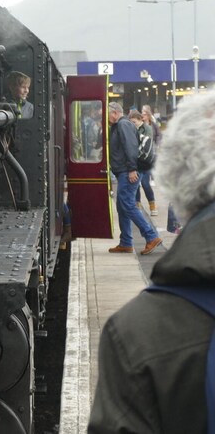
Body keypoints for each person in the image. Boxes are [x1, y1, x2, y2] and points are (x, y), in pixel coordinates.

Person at [89, 91, 215, 432]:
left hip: (125, 173)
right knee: (125, 207)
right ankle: (130, 239)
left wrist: (130, 168)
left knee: (128, 206)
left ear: (177, 180)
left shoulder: (134, 335)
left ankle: (147, 235)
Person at [105, 102, 161, 255]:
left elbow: (130, 147)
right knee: (122, 206)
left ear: (115, 113)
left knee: (127, 204)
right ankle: (126, 242)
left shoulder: (123, 125)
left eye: (107, 114)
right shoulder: (118, 126)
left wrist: (132, 169)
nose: (106, 118)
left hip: (128, 172)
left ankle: (151, 236)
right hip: (124, 171)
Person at [128, 110, 157, 216]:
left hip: (146, 161)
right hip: (136, 162)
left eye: (134, 122)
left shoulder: (147, 128)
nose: (133, 124)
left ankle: (152, 206)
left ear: (140, 120)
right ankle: (137, 206)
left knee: (145, 184)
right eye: (131, 122)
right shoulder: (131, 128)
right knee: (136, 185)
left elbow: (146, 144)